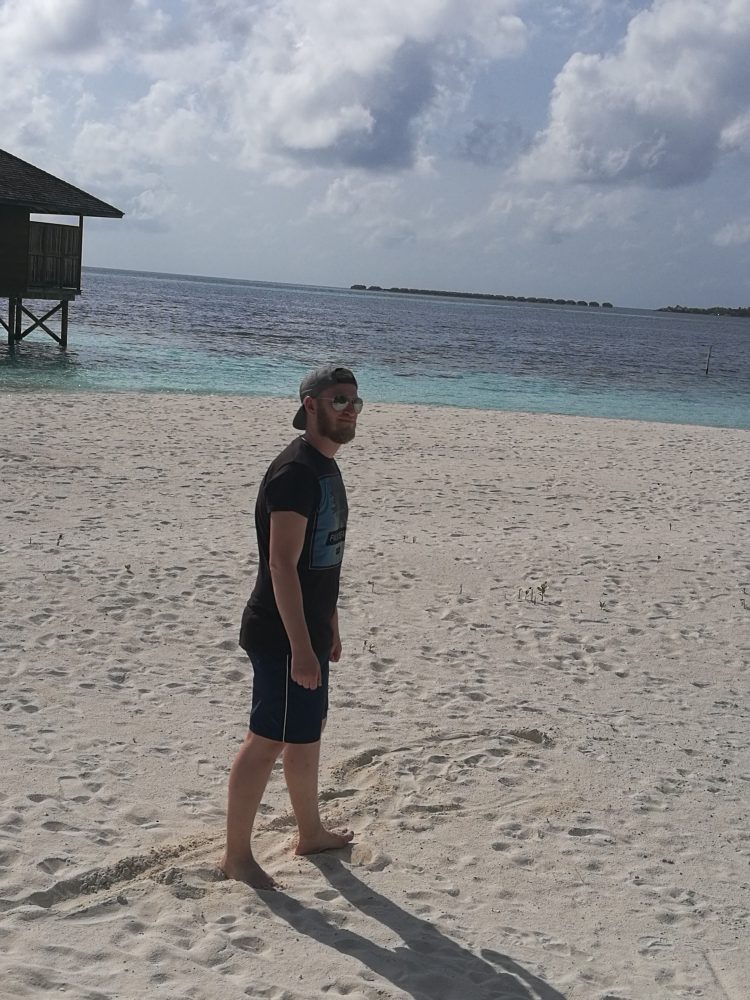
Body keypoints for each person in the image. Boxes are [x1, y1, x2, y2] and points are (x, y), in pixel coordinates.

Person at [220, 365, 363, 889]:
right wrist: (301, 647)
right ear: (310, 405)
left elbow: (322, 560)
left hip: (308, 629)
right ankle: (236, 856)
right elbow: (281, 564)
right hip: (281, 634)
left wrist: (330, 623)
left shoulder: (325, 467)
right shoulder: (294, 473)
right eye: (338, 400)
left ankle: (311, 833)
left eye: (355, 401)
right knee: (267, 740)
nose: (349, 410)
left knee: (304, 735)